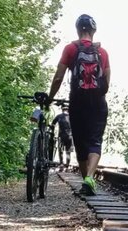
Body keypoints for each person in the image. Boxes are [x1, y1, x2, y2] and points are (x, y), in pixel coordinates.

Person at [46, 14, 110, 195]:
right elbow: (106, 81)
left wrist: (50, 97)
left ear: (77, 30)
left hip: (77, 102)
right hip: (98, 103)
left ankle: (86, 182)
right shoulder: (102, 52)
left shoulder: (70, 49)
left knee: (81, 144)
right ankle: (90, 178)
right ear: (93, 31)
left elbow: (58, 77)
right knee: (95, 141)